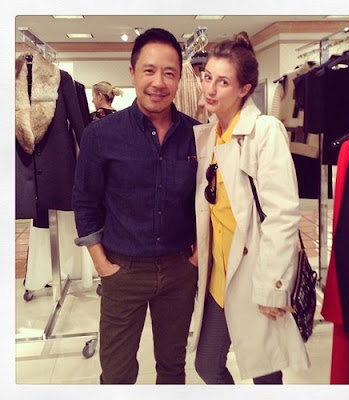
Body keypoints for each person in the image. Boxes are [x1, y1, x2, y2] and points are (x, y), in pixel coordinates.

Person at [72, 28, 199, 384]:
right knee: (117, 373)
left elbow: (208, 200)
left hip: (179, 270)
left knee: (173, 368)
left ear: (179, 78)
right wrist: (102, 265)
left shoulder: (197, 134)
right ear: (132, 73)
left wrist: (196, 257)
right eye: (149, 70)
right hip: (122, 270)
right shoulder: (101, 134)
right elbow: (84, 201)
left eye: (169, 73)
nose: (158, 82)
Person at [190, 31, 310, 384]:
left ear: (244, 89)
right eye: (207, 77)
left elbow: (283, 214)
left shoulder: (264, 131)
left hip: (255, 271)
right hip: (219, 275)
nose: (210, 89)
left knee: (264, 372)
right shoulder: (209, 135)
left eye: (223, 82)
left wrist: (274, 284)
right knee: (207, 364)